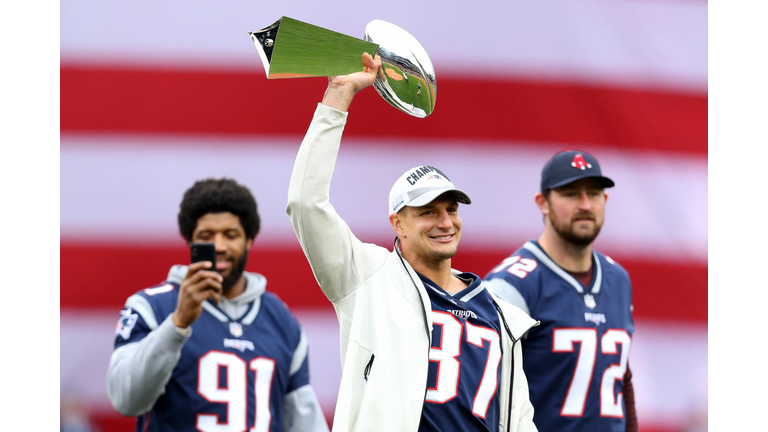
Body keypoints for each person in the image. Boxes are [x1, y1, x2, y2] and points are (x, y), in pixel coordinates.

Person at [286, 53, 538, 432]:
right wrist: (339, 94)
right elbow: (305, 204)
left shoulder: (501, 315)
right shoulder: (367, 278)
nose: (445, 222)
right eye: (427, 212)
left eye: (451, 209)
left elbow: (519, 421)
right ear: (397, 223)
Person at [106, 178, 329, 432]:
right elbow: (125, 399)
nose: (219, 246)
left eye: (231, 235)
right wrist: (178, 323)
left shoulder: (282, 320)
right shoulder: (151, 306)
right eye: (206, 236)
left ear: (249, 240)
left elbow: (305, 422)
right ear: (190, 241)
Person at [483, 150, 639, 432]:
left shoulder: (618, 279)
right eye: (571, 194)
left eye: (593, 194)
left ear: (605, 200)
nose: (585, 205)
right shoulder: (512, 285)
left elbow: (622, 378)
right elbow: (482, 388)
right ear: (542, 202)